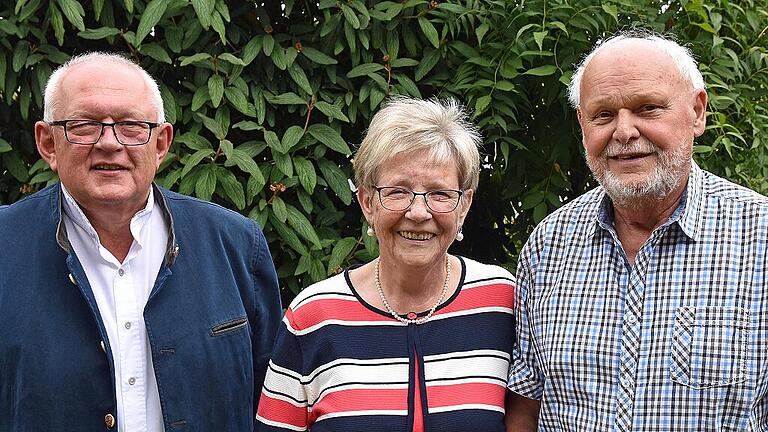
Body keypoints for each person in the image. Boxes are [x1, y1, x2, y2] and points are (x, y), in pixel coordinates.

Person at [0, 52, 282, 431]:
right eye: (85, 125)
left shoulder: (235, 245)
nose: (110, 143)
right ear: (48, 143)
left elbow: (274, 407)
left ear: (161, 144)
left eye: (131, 126)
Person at [506, 30, 768, 431]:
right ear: (582, 124)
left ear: (697, 113)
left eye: (647, 108)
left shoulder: (760, 237)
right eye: (603, 115)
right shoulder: (548, 245)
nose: (624, 132)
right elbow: (525, 404)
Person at [255, 97, 515, 432]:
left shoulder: (502, 301)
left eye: (439, 194)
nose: (419, 213)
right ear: (367, 202)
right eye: (397, 191)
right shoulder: (313, 317)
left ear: (464, 205)